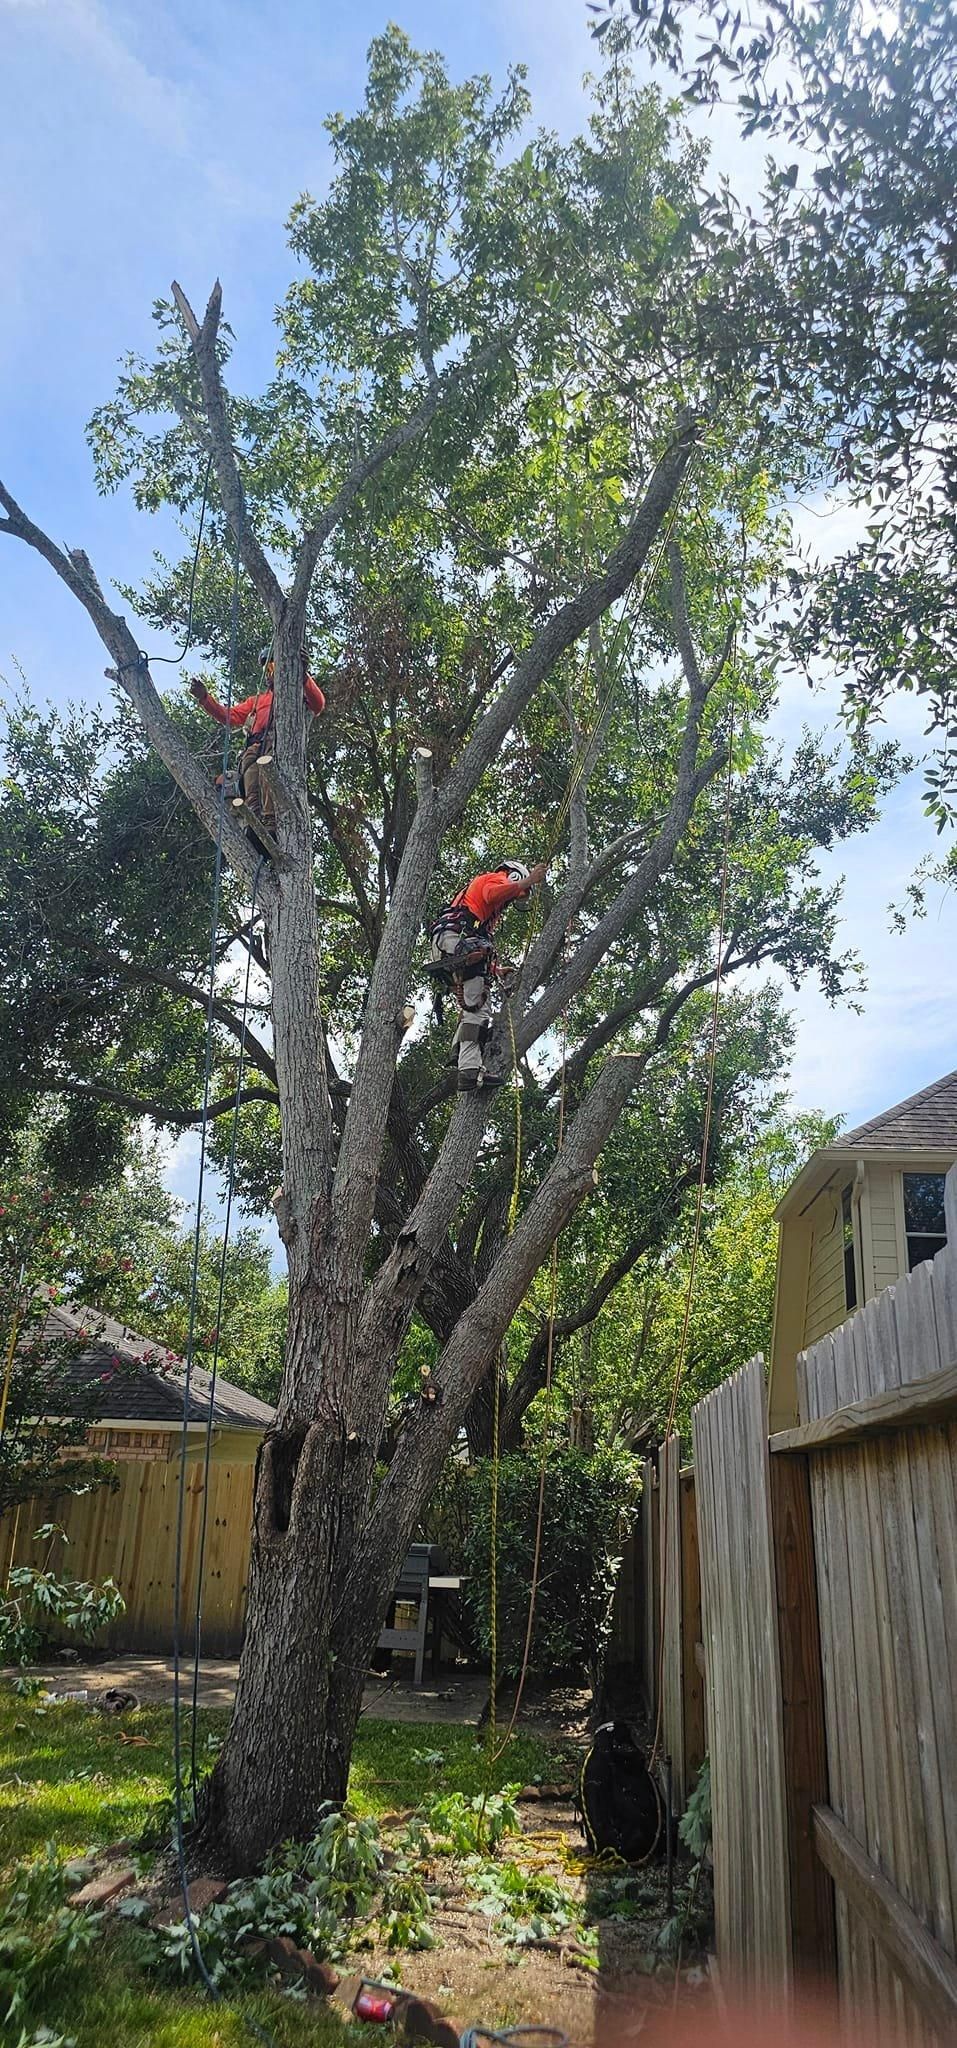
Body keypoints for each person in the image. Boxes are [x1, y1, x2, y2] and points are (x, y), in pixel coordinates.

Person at [428, 859, 547, 1092]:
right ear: (514, 875)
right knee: (477, 1008)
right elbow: (493, 894)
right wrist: (530, 880)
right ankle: (470, 1071)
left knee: (473, 998)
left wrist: (496, 970)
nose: (510, 901)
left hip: (451, 942)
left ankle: (460, 1050)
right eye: (517, 892)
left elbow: (480, 943)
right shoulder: (494, 879)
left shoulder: (476, 913)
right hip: (456, 940)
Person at [189, 648, 325, 834]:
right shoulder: (257, 701)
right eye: (267, 669)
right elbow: (228, 716)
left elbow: (318, 704)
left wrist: (303, 675)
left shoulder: (295, 693)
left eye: (273, 667)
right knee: (250, 778)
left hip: (276, 741)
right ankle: (254, 823)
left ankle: (270, 821)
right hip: (254, 746)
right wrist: (205, 698)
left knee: (267, 775)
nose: (269, 673)